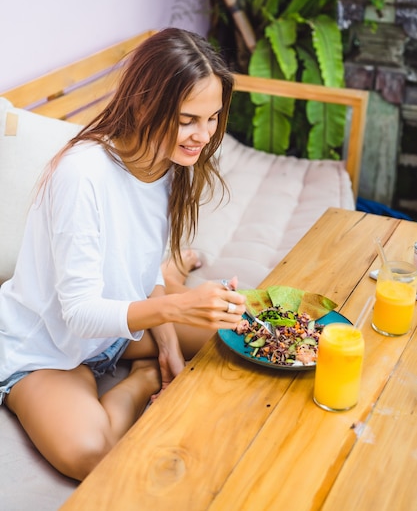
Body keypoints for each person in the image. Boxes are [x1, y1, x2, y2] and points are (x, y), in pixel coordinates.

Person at [0, 28, 246, 481]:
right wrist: (177, 308)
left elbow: (142, 264)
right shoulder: (83, 174)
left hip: (118, 329)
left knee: (247, 330)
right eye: (188, 118)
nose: (203, 136)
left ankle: (158, 350)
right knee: (93, 455)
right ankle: (143, 378)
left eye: (212, 118)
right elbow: (78, 315)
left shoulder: (169, 162)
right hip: (49, 345)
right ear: (143, 104)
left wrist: (171, 345)